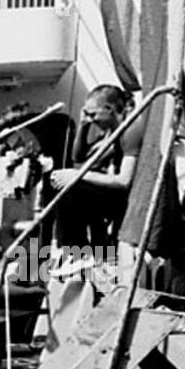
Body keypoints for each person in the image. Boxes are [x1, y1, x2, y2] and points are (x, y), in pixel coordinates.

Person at [50, 84, 140, 248]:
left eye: (93, 114)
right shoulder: (110, 132)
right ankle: (84, 252)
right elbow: (79, 157)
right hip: (114, 195)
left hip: (127, 198)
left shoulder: (129, 130)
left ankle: (76, 252)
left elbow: (124, 181)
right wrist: (83, 125)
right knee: (69, 188)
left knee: (72, 192)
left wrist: (77, 175)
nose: (91, 119)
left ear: (109, 109)